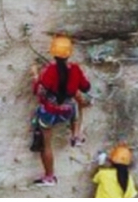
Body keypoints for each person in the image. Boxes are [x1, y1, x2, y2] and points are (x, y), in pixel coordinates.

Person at [31, 34, 93, 187]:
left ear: (53, 52)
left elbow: (40, 92)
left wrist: (35, 75)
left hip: (49, 114)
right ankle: (76, 135)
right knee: (77, 102)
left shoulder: (50, 71)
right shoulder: (76, 69)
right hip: (67, 112)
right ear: (69, 53)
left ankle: (49, 176)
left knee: (47, 145)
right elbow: (86, 87)